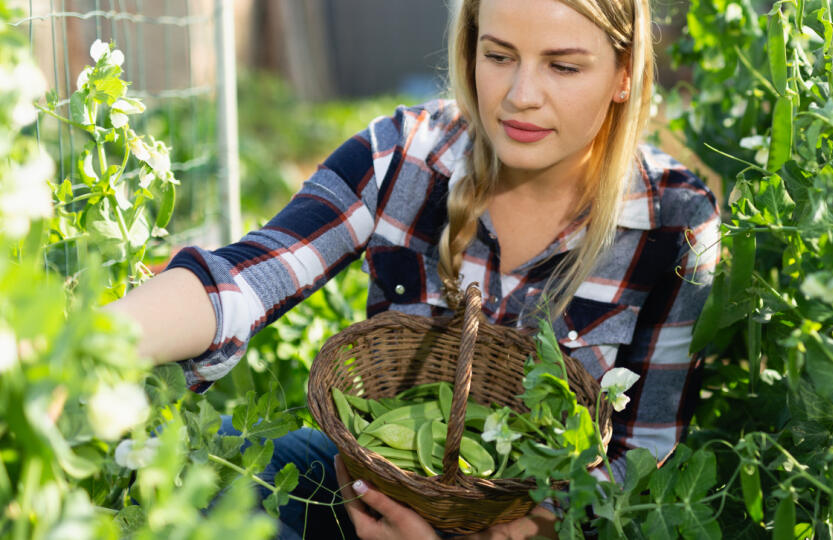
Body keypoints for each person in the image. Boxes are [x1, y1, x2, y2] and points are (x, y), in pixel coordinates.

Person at [107, 0, 720, 537]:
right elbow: (252, 274)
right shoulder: (405, 155)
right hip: (370, 493)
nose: (520, 95)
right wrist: (94, 341)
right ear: (470, 46)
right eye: (499, 55)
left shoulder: (674, 223)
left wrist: (534, 528)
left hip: (533, 528)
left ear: (623, 73)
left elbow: (646, 455)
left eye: (563, 66)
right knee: (223, 475)